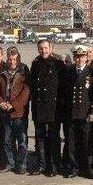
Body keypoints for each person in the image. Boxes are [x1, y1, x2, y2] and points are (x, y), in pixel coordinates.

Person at [0, 47, 30, 174]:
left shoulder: (23, 72)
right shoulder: (2, 73)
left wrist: (13, 105)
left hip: (18, 113)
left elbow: (26, 92)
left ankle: (22, 164)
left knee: (22, 142)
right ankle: (10, 163)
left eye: (14, 59)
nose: (12, 61)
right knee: (7, 141)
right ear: (7, 59)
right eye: (10, 59)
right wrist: (1, 102)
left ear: (18, 59)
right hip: (5, 113)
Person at [30, 39, 65, 176]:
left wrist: (61, 106)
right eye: (41, 48)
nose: (43, 51)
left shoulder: (58, 64)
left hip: (53, 108)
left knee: (53, 138)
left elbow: (62, 88)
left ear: (51, 48)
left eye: (45, 48)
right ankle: (41, 164)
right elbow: (32, 86)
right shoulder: (36, 64)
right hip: (39, 107)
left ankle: (54, 165)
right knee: (40, 138)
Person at [61, 45, 93, 179]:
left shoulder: (92, 72)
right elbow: (64, 93)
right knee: (71, 143)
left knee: (86, 142)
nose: (79, 59)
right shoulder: (69, 71)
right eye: (77, 56)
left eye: (82, 56)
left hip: (85, 113)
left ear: (87, 57)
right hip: (71, 113)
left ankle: (87, 168)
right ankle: (73, 167)